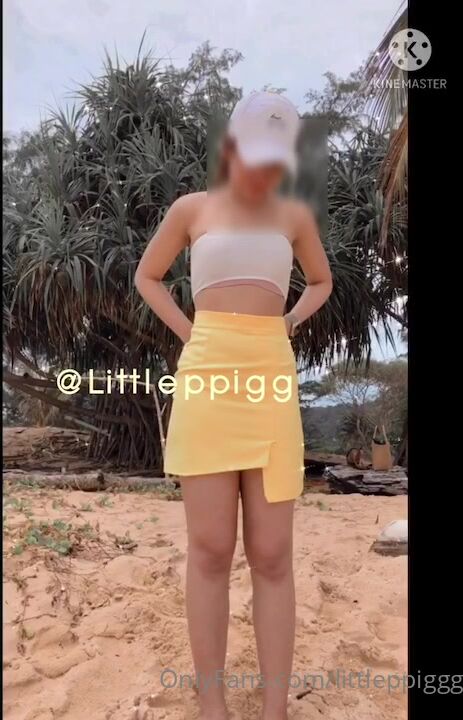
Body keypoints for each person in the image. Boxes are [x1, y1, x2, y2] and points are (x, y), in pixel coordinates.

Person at [135, 91, 333, 720]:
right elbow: (148, 276)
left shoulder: (294, 215)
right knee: (211, 547)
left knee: (272, 552)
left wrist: (290, 322)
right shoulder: (191, 208)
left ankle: (275, 709)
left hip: (270, 373)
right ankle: (212, 704)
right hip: (208, 374)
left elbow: (321, 281)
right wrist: (193, 333)